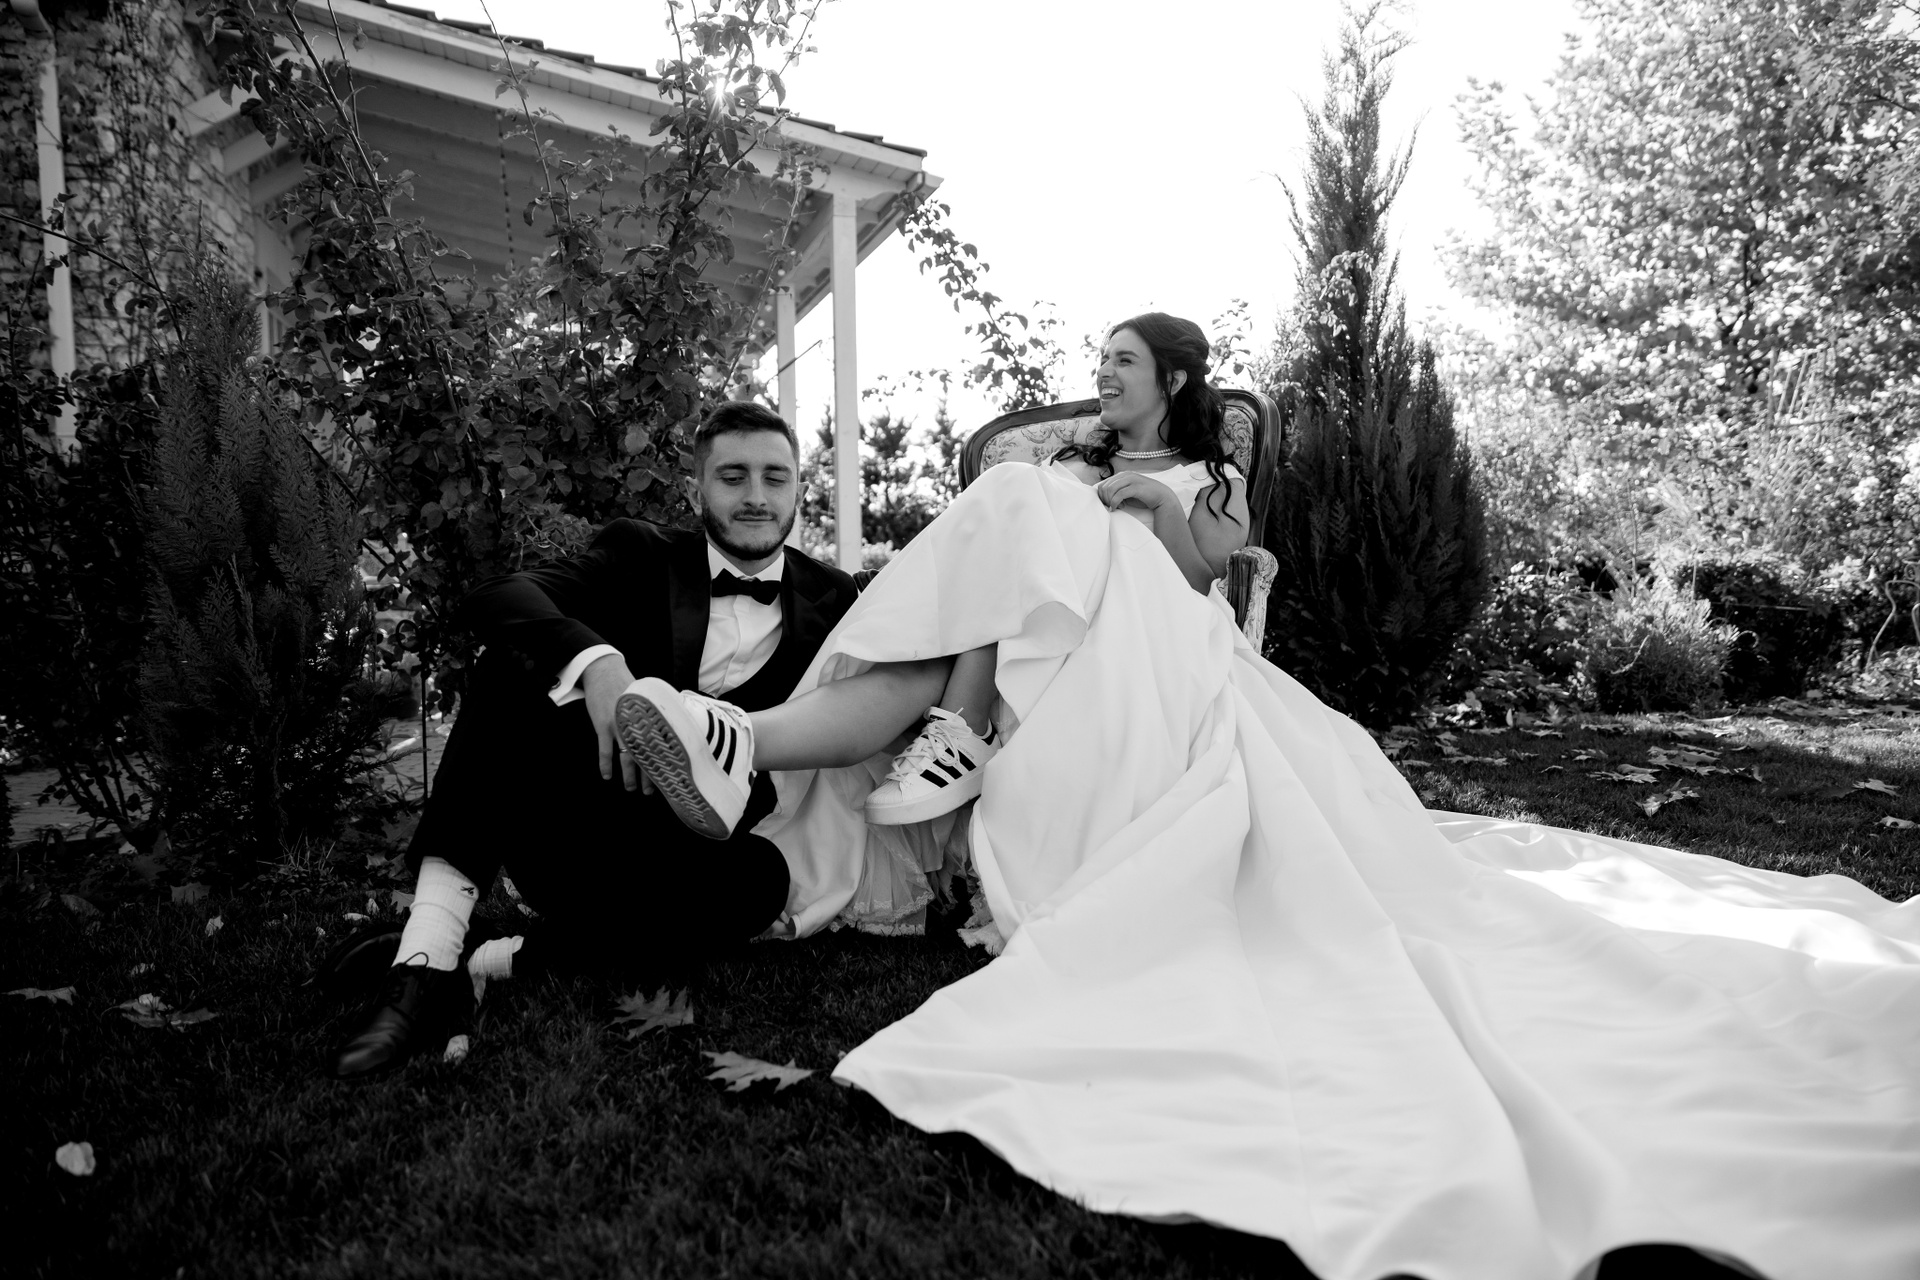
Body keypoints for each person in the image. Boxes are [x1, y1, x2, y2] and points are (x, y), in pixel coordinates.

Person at [613, 313, 1920, 1280]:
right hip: (1042, 644)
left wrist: (1140, 501)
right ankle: (884, 737)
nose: (1104, 377)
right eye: (1101, 364)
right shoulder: (1052, 468)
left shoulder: (1208, 476)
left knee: (1043, 524)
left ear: (1173, 382)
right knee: (1019, 513)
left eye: (1123, 362)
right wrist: (1075, 496)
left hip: (1159, 645)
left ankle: (843, 744)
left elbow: (1210, 576)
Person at [323, 402, 860, 1080]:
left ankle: (483, 956)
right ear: (697, 486)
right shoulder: (641, 553)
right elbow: (499, 595)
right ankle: (423, 960)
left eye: (774, 477)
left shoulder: (834, 597)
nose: (756, 496)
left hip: (699, 859)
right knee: (512, 664)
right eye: (733, 476)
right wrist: (600, 664)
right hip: (578, 833)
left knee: (761, 883)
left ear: (799, 486)